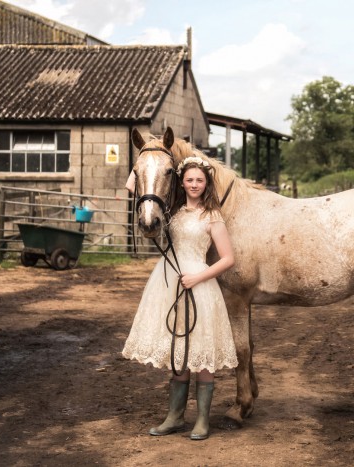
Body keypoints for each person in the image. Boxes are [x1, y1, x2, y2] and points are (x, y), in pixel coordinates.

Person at [122, 156, 238, 441]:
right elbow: (131, 184)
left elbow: (228, 259)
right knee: (179, 353)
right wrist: (146, 157)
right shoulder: (171, 211)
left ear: (206, 183)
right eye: (190, 180)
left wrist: (198, 278)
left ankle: (201, 420)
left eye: (200, 180)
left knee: (201, 355)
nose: (195, 184)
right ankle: (174, 417)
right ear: (181, 182)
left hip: (198, 283)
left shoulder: (212, 217)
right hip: (169, 284)